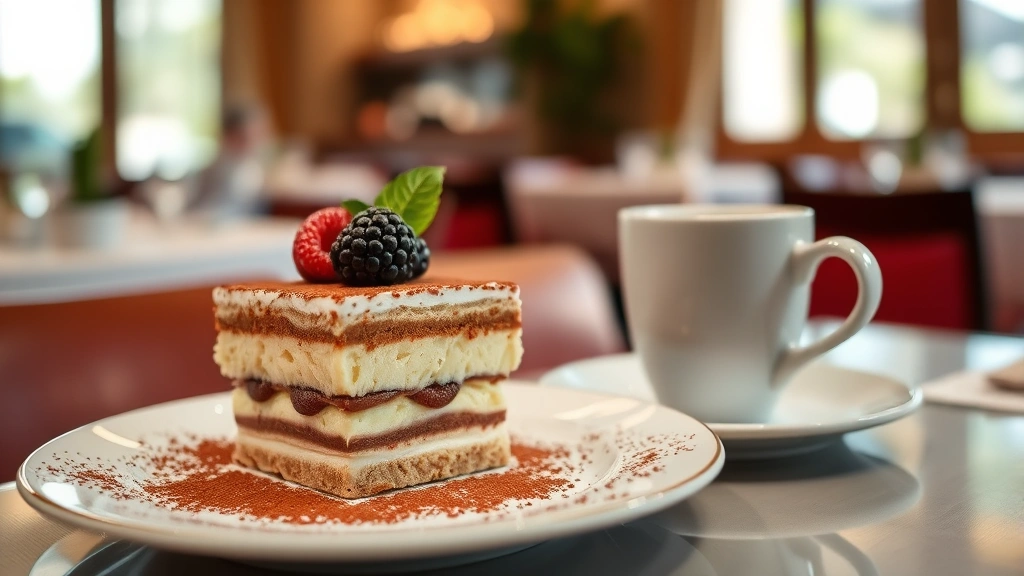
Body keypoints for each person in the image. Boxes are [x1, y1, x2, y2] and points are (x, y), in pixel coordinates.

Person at [190, 101, 271, 223]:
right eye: (246, 137)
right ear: (229, 136)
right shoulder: (217, 170)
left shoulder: (253, 167)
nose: (256, 142)